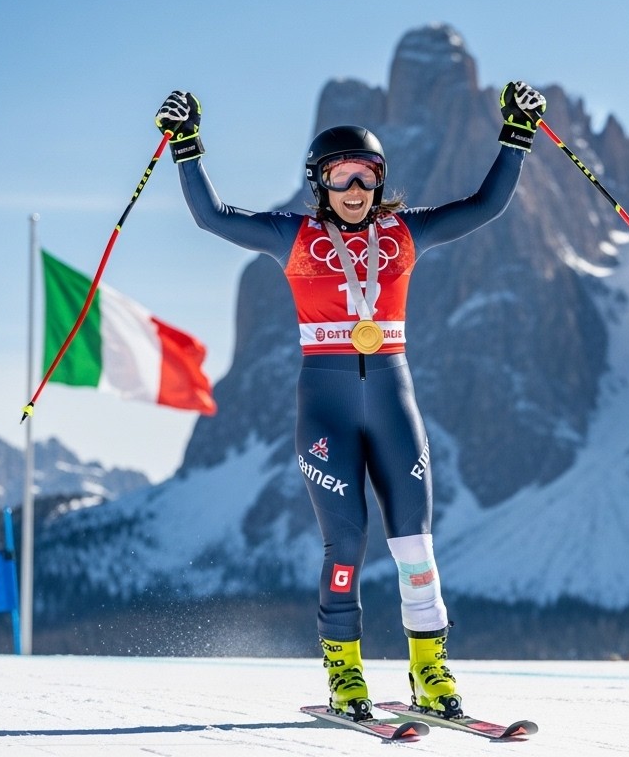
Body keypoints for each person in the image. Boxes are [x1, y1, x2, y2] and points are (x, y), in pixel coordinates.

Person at [154, 81, 548, 721]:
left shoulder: (406, 233)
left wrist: (517, 134)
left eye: (366, 176)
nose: (355, 190)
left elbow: (485, 205)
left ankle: (431, 672)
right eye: (342, 178)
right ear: (320, 184)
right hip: (326, 410)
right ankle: (345, 675)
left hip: (393, 400)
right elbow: (213, 217)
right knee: (347, 544)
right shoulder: (294, 236)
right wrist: (187, 145)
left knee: (414, 543)